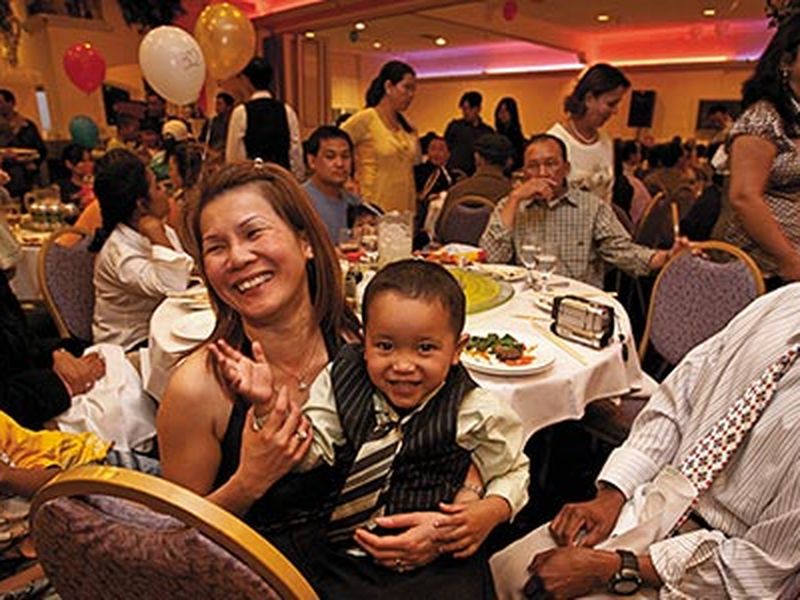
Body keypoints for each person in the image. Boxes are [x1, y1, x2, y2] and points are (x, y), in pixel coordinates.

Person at [210, 259, 529, 598]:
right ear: (364, 342)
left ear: (456, 350)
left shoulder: (475, 410)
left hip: (437, 558)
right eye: (385, 346)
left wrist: (491, 510)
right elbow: (308, 453)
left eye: (425, 348)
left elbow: (513, 468)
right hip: (342, 551)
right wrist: (267, 405)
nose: (403, 365)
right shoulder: (341, 379)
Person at [490, 282, 800, 599]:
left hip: (712, 572)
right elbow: (677, 403)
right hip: (654, 503)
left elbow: (760, 571)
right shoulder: (782, 304)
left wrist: (611, 567)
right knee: (506, 570)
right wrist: (612, 494)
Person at [479, 134, 687, 289]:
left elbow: (625, 252)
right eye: (533, 166)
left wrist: (665, 257)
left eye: (551, 164)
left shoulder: (591, 207)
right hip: (526, 302)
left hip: (577, 303)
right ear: (524, 172)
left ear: (566, 168)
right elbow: (491, 260)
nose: (542, 173)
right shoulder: (511, 205)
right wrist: (515, 198)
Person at [719, 12, 800, 288]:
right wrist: (788, 257)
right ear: (786, 62)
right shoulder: (763, 118)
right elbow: (744, 196)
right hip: (766, 268)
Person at [90, 149, 194, 350]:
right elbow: (175, 287)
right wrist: (156, 234)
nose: (165, 191)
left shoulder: (157, 229)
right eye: (157, 187)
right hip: (130, 345)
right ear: (141, 204)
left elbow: (187, 271)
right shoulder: (119, 253)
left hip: (162, 329)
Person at [1, 268, 104, 430]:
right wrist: (63, 384)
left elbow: (22, 344)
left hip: (34, 394)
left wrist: (61, 355)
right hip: (17, 429)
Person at [341, 60, 419, 213]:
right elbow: (335, 144)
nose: (411, 95)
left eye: (414, 90)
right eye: (406, 88)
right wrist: (346, 181)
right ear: (389, 86)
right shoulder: (366, 119)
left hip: (405, 206)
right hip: (374, 203)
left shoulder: (406, 125)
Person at [548, 64, 630, 202]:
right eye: (611, 104)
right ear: (589, 99)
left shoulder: (606, 141)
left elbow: (608, 196)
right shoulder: (555, 142)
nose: (615, 111)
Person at [226, 57, 305, 181]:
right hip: (281, 181)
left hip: (253, 182)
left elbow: (234, 157)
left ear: (247, 81)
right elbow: (295, 153)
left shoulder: (241, 112)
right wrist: (297, 179)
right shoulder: (287, 111)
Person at [435, 133, 512, 241]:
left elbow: (440, 232)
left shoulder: (456, 190)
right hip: (495, 257)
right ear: (508, 162)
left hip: (455, 255)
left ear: (477, 157)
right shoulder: (512, 195)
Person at [302, 125, 361, 244]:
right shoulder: (300, 201)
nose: (339, 164)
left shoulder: (354, 203)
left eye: (345, 156)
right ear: (312, 161)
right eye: (330, 157)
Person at [0, 89, 47, 199]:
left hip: (25, 175)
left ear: (11, 103)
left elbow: (41, 149)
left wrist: (33, 162)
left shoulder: (27, 125)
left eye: (1, 102)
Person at [445, 91, 494, 178]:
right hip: (455, 173)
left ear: (478, 109)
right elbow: (447, 149)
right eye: (463, 109)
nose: (465, 112)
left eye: (469, 109)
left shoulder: (487, 131)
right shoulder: (455, 127)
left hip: (477, 175)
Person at [57, 143, 94, 210]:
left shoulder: (98, 183)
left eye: (90, 160)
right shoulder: (61, 188)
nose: (88, 164)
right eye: (82, 161)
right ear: (69, 164)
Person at [495, 97, 527, 173]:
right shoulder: (497, 134)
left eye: (506, 111)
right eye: (501, 111)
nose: (502, 114)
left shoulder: (516, 135)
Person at [201, 92, 234, 157]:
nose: (216, 107)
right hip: (211, 156)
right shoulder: (211, 122)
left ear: (228, 107)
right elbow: (202, 139)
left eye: (219, 104)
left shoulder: (232, 122)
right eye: (216, 104)